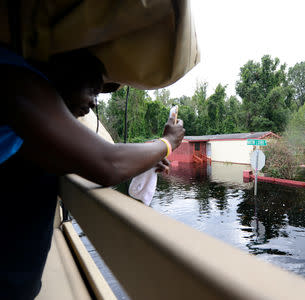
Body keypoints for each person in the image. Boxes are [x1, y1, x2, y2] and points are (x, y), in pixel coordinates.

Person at [0, 45, 185, 299]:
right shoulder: (16, 81)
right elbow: (108, 164)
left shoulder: (31, 119)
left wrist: (143, 162)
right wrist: (167, 144)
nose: (94, 103)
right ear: (63, 70)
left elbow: (82, 162)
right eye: (92, 88)